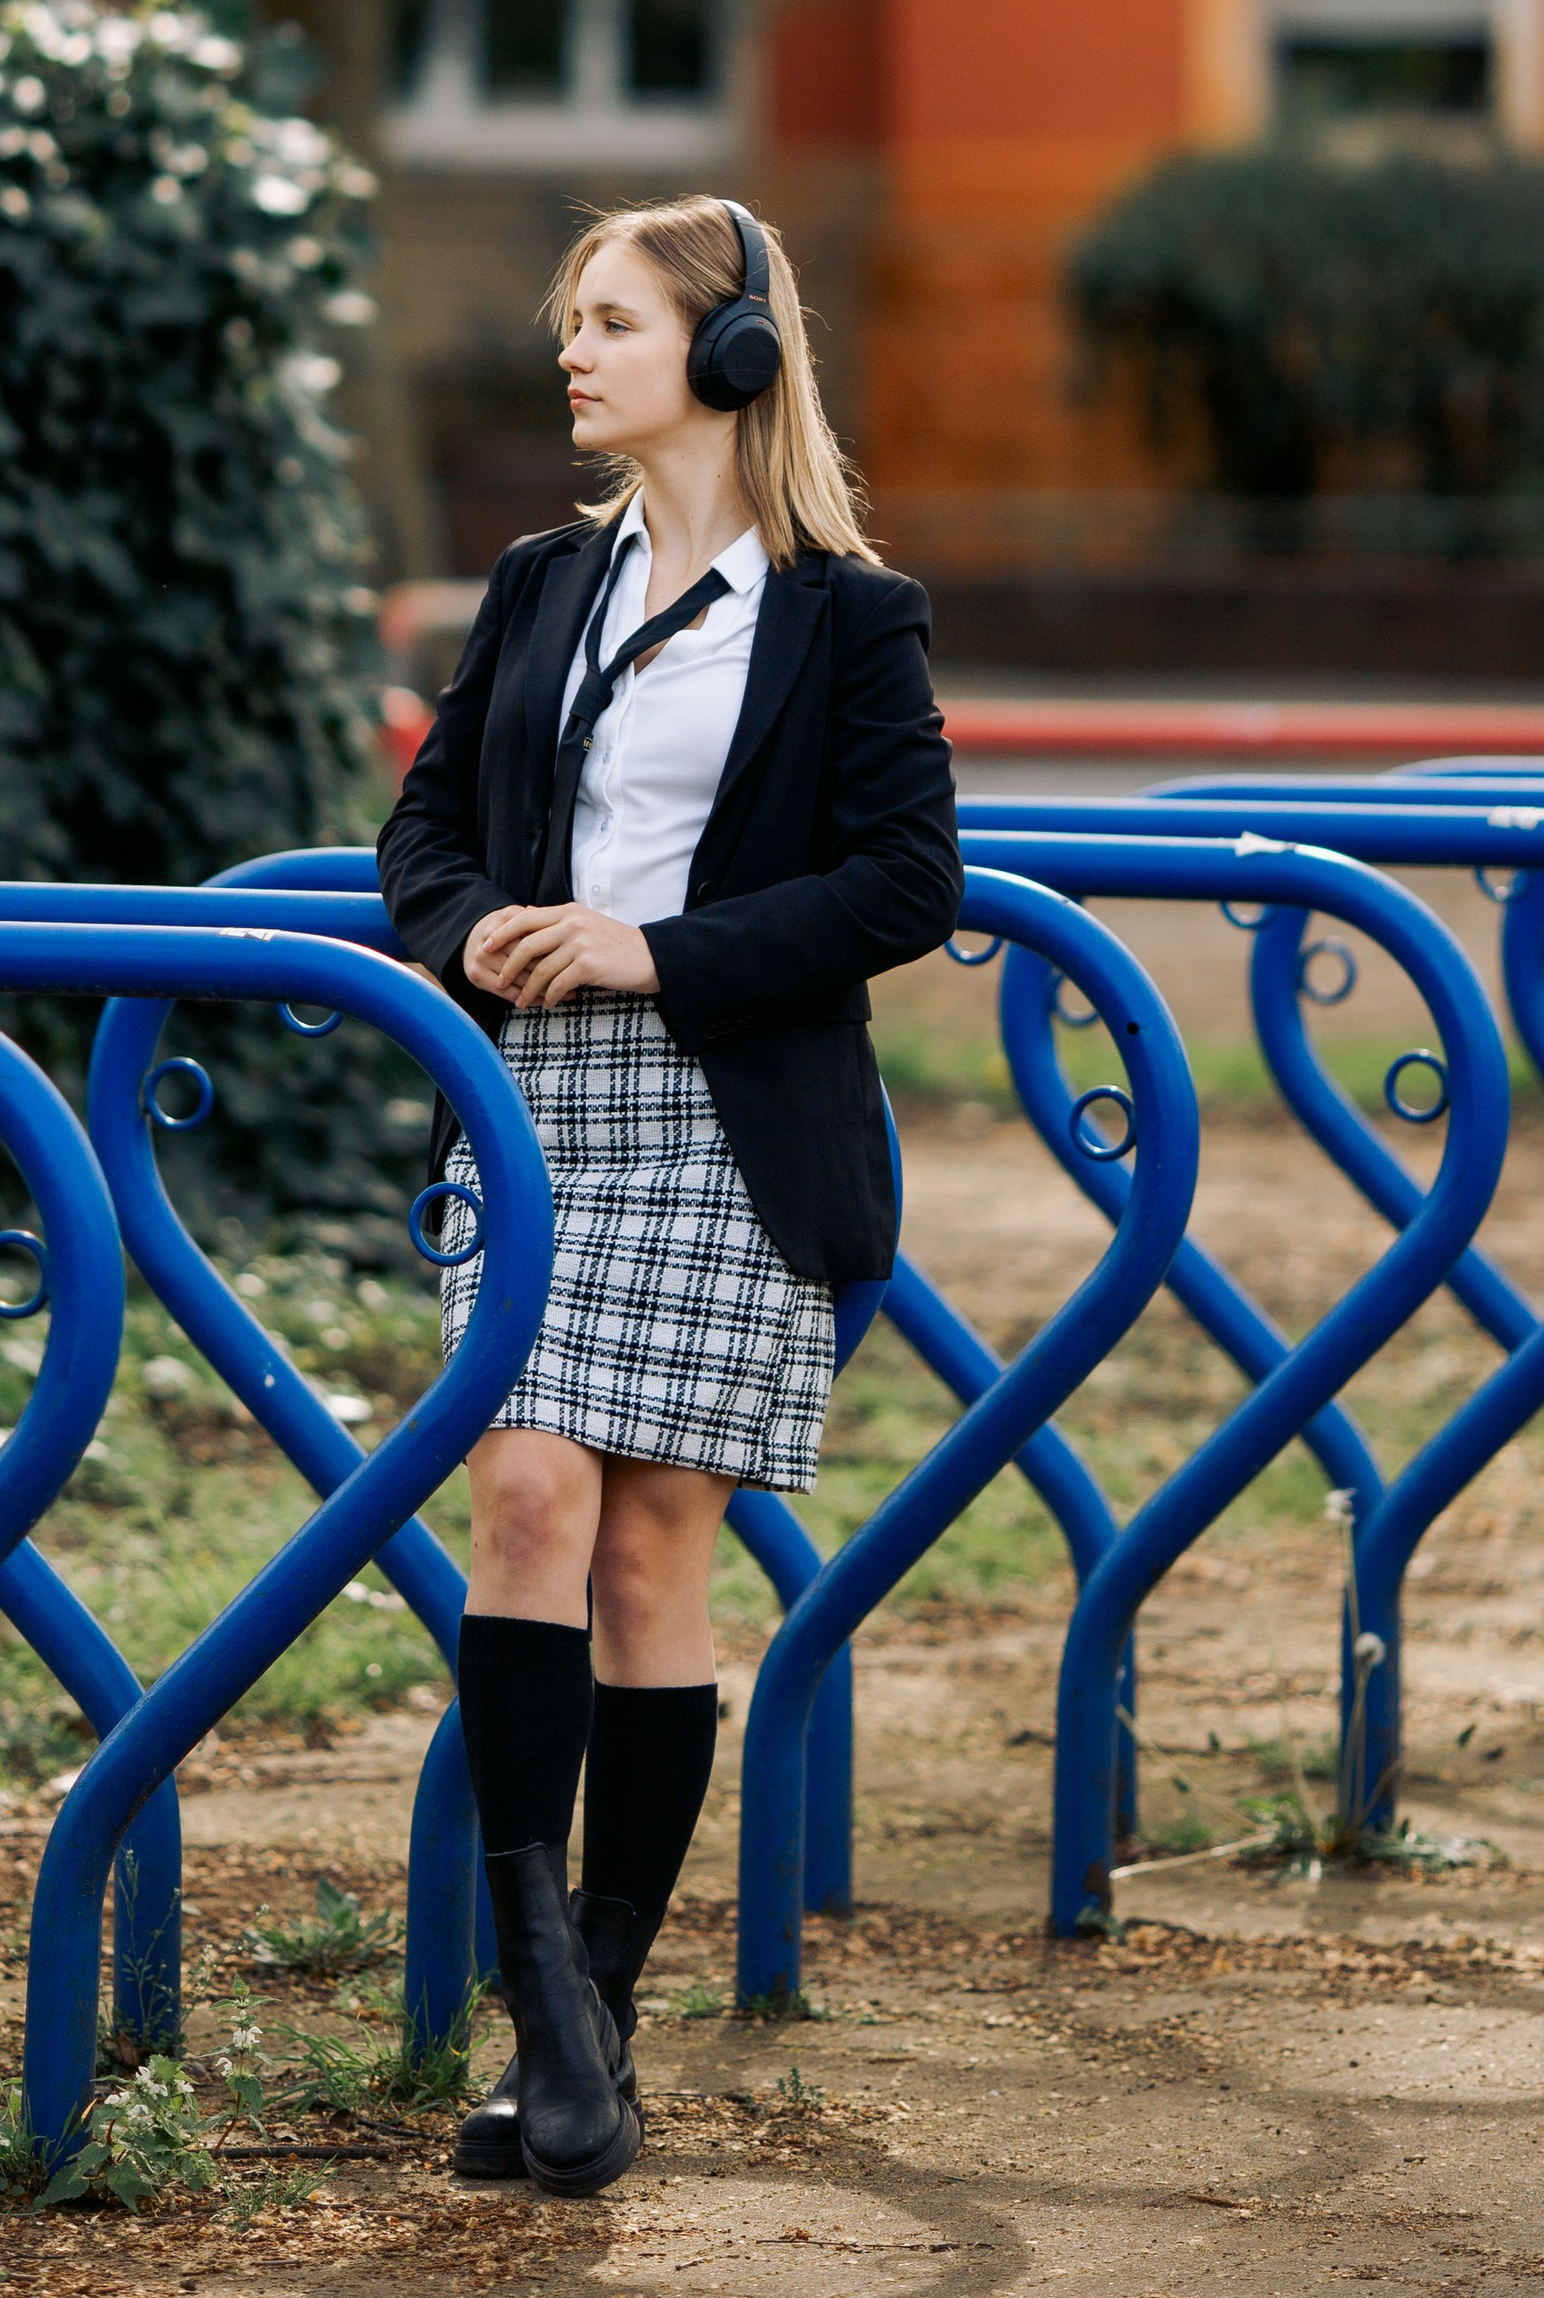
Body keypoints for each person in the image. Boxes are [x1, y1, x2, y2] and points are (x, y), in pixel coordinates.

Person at [377, 196, 961, 2198]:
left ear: (723, 359)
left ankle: (591, 2020)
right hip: (533, 1101)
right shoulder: (539, 584)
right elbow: (427, 822)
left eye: (610, 323)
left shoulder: (843, 616)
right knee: (523, 1488)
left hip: (729, 1107)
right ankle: (548, 2021)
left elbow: (905, 885)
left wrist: (652, 947)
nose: (573, 354)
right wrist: (484, 938)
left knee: (650, 1555)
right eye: (572, 325)